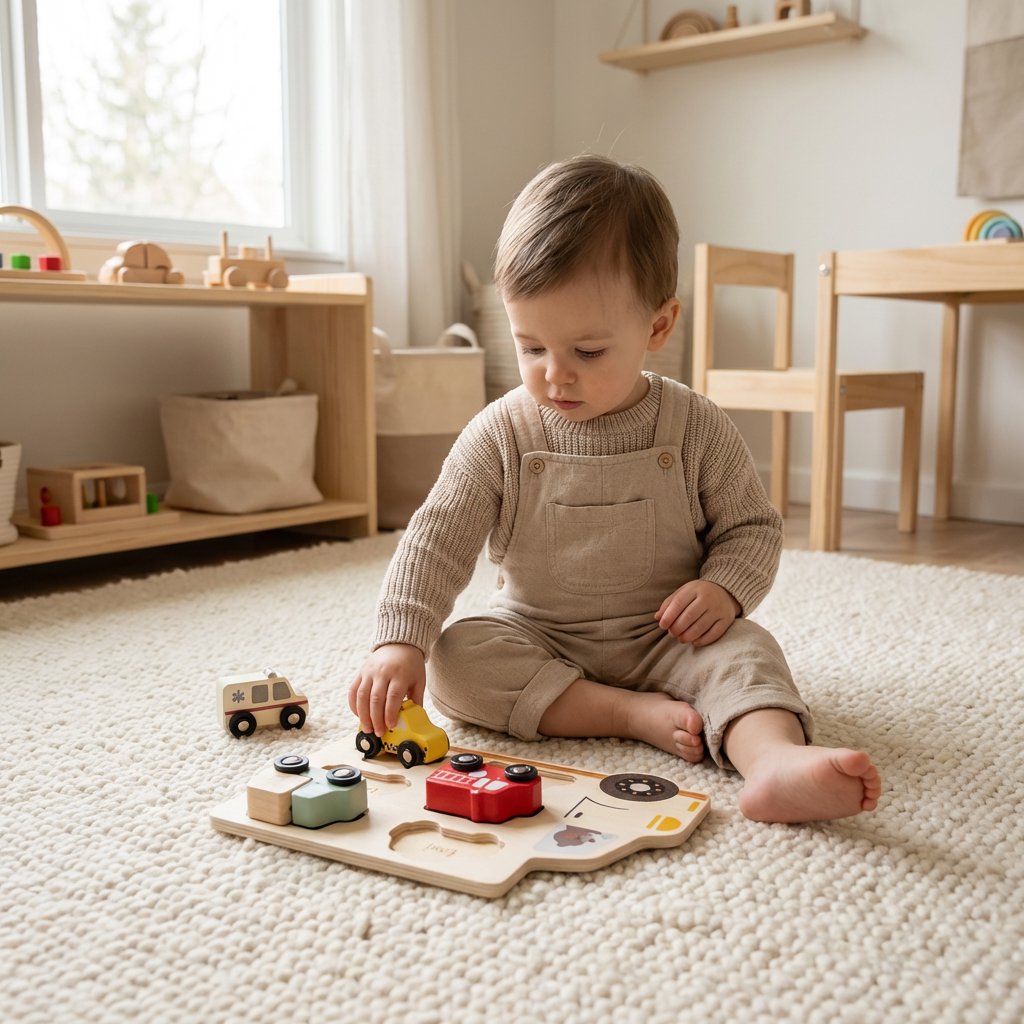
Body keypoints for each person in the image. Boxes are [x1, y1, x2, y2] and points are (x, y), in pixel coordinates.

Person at [349, 153, 881, 823]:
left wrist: (724, 590)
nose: (554, 375)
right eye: (530, 346)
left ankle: (774, 761)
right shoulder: (500, 434)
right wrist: (401, 639)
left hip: (670, 638)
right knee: (459, 660)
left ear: (658, 326)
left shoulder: (694, 427)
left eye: (587, 352)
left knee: (749, 655)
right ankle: (627, 715)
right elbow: (436, 540)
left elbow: (751, 528)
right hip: (539, 635)